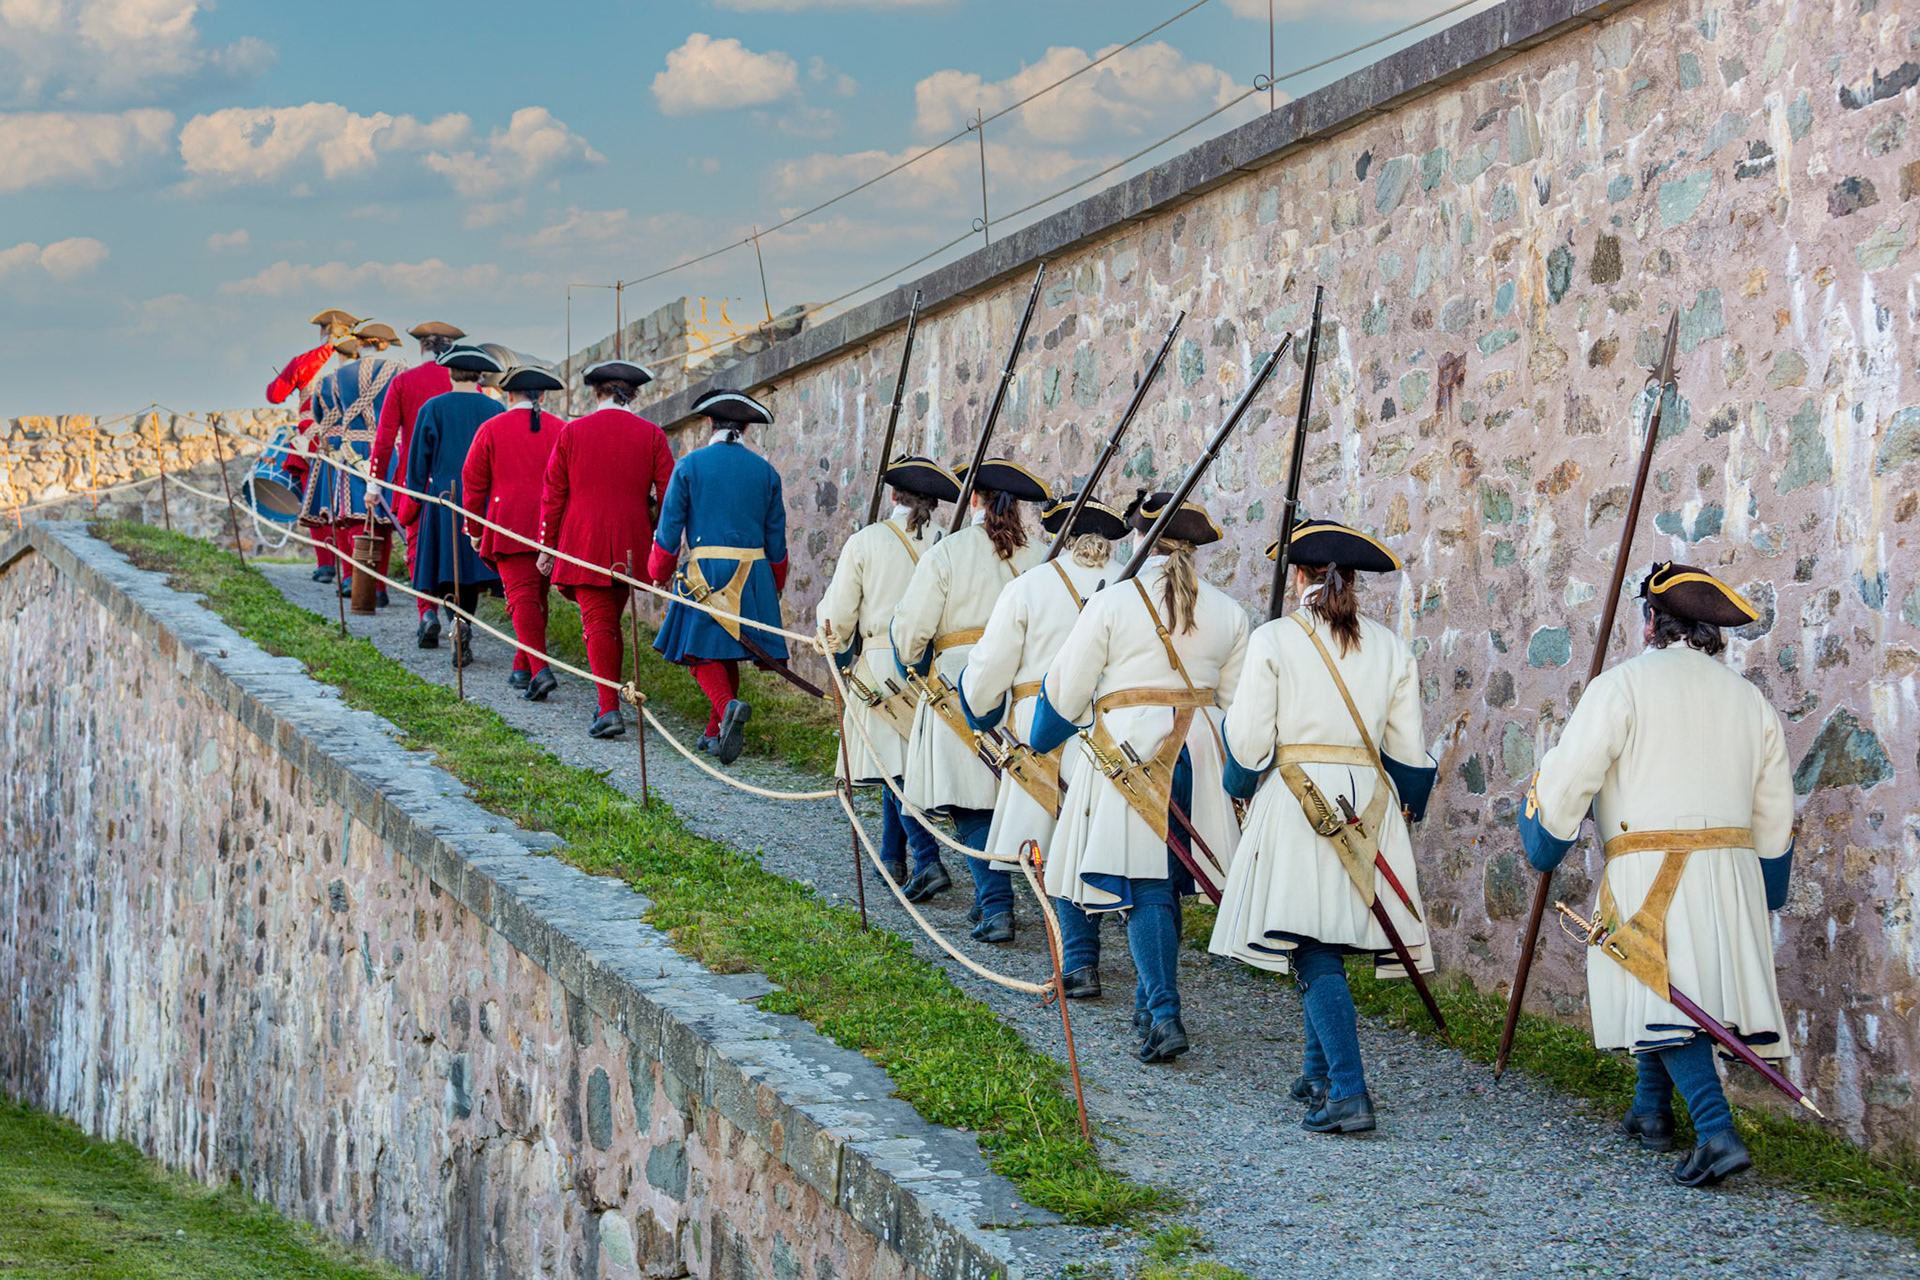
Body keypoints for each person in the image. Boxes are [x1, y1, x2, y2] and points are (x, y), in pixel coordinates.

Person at [1520, 561, 1792, 1188]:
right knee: (1664, 987)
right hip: (1730, 876)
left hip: (1650, 871)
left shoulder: (1621, 687)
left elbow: (1570, 777)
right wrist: (1766, 891)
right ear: (1709, 633)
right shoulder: (1751, 703)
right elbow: (1775, 814)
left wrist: (1544, 828)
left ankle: (1716, 1130)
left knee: (1660, 986)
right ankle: (1650, 1113)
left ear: (1650, 623)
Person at [1209, 521, 1434, 1133]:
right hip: (1367, 805)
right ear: (1351, 583)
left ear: (1300, 577)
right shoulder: (1390, 647)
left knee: (1310, 948)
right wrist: (1410, 804)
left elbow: (1251, 743)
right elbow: (1410, 753)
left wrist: (1236, 786)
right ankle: (1316, 1073)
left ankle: (1349, 1091)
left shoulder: (1276, 639)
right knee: (1323, 937)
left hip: (1299, 798)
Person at [1031, 493, 1246, 1061]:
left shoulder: (1112, 603)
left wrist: (1043, 735)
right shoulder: (1229, 612)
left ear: (1140, 537)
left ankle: (1165, 1013)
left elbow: (1067, 688)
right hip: (1196, 752)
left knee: (1147, 884)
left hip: (1129, 749)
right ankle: (1151, 1005)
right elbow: (1237, 706)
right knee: (1167, 880)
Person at [958, 493, 1127, 990]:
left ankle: (1077, 959)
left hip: (1041, 724)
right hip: (1112, 728)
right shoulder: (1129, 587)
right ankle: (1081, 954)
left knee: (1053, 845)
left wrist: (982, 709)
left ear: (1059, 534)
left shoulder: (1029, 586)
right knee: (1090, 839)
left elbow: (989, 668)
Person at [891, 459, 1052, 939]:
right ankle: (995, 901)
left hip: (958, 687)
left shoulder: (949, 551)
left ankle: (997, 903)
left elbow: (911, 629)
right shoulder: (1041, 556)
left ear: (974, 498)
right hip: (1025, 688)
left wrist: (914, 662)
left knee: (970, 804)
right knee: (1007, 794)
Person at [816, 456, 958, 888]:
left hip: (880, 664)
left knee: (894, 768)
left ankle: (927, 858)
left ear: (892, 495)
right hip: (933, 666)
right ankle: (892, 858)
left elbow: (838, 616)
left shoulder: (866, 541)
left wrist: (832, 647)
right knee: (898, 761)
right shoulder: (949, 543)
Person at [649, 390, 790, 764]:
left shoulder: (689, 465)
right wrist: (773, 584)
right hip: (753, 572)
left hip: (705, 572)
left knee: (699, 650)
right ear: (745, 428)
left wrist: (658, 571)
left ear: (710, 424)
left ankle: (727, 708)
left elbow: (669, 530)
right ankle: (715, 731)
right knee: (725, 646)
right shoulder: (766, 472)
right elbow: (777, 541)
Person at [539, 360, 675, 739]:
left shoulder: (572, 432)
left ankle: (609, 709)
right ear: (632, 394)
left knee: (598, 623)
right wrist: (660, 549)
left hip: (583, 539)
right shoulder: (652, 434)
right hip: (633, 541)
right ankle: (609, 701)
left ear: (595, 392)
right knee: (608, 622)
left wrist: (547, 546)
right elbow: (669, 497)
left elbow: (554, 493)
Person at [464, 365, 566, 701]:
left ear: (509, 394)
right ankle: (523, 666)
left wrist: (475, 529)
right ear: (544, 395)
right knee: (537, 598)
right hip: (552, 527)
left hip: (506, 524)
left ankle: (539, 670)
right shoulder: (562, 429)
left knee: (521, 598)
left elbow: (474, 484)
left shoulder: (491, 428)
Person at [405, 345, 504, 666]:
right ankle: (463, 624)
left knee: (449, 568)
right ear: (479, 376)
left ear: (449, 373)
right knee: (471, 571)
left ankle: (454, 623)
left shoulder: (432, 408)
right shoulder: (495, 408)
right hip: (483, 499)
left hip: (444, 498)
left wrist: (416, 498)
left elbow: (417, 463)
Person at [374, 320, 465, 647]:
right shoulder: (469, 386)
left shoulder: (403, 382)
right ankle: (457, 618)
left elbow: (384, 441)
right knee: (456, 550)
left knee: (417, 548)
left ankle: (426, 612)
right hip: (458, 484)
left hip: (415, 482)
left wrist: (374, 485)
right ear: (450, 347)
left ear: (422, 347)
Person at [300, 322, 403, 606]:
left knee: (350, 518)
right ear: (384, 344)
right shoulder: (399, 371)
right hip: (386, 450)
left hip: (351, 447)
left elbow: (323, 416)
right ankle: (378, 588)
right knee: (382, 521)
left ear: (359, 344)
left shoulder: (335, 377)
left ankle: (352, 579)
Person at [265, 337, 337, 582]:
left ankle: (326, 564)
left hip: (313, 438)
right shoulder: (361, 361)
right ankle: (355, 569)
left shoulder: (309, 361)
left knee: (316, 498)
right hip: (351, 436)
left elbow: (275, 395)